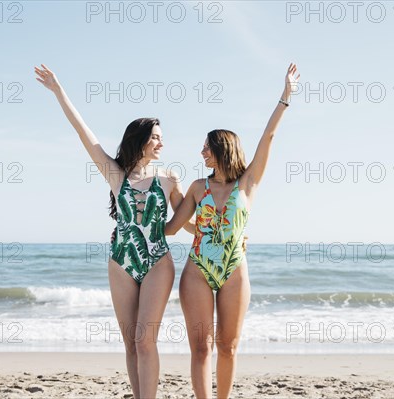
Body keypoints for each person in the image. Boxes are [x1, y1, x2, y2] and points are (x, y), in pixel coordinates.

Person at [35, 64, 189, 399]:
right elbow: (84, 134)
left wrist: (214, 230)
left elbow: (184, 221)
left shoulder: (169, 178)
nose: (162, 143)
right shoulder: (116, 175)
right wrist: (59, 91)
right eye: (156, 138)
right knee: (131, 343)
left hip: (158, 260)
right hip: (121, 261)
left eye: (163, 139)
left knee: (145, 340)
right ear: (141, 140)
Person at [165, 63, 300, 398]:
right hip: (197, 270)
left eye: (206, 148)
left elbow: (268, 137)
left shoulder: (248, 183)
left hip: (234, 271)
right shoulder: (198, 187)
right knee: (201, 348)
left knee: (228, 347)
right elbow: (172, 229)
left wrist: (285, 97)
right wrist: (173, 193)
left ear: (222, 149)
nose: (201, 153)